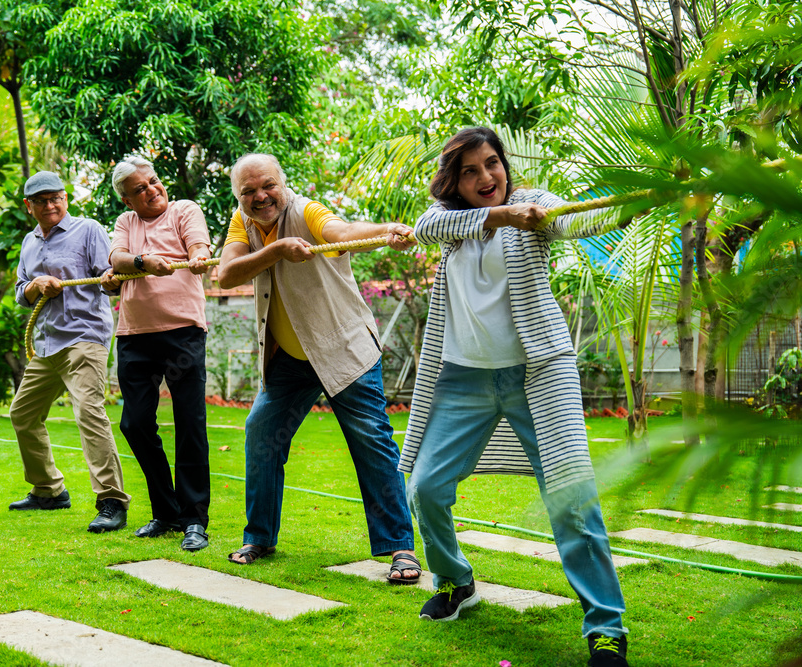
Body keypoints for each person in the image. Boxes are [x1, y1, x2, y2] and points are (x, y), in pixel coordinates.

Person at [400, 127, 630, 666]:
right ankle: (457, 582)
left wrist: (628, 202)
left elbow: (579, 217)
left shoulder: (533, 207)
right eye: (471, 171)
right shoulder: (453, 226)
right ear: (455, 181)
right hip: (461, 381)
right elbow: (425, 224)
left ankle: (605, 627)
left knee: (572, 497)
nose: (486, 177)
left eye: (492, 164)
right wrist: (497, 218)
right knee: (426, 488)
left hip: (538, 376)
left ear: (505, 165)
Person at [217, 153, 422, 583]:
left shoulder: (306, 210)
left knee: (372, 442)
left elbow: (342, 232)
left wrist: (387, 232)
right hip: (290, 360)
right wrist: (276, 251)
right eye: (248, 191)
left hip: (344, 351)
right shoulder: (243, 222)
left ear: (283, 183)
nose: (259, 196)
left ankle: (401, 548)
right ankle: (260, 537)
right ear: (239, 197)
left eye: (267, 185)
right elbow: (227, 274)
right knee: (261, 432)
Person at [9, 170, 130, 534]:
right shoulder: (29, 243)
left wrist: (113, 278)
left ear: (66, 197)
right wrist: (35, 285)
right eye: (42, 201)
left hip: (84, 337)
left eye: (56, 198)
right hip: (47, 343)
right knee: (23, 415)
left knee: (89, 414)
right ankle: (48, 490)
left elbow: (108, 276)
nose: (51, 205)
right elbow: (20, 291)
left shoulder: (88, 229)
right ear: (28, 207)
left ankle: (111, 501)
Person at [106, 156, 213, 552]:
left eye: (153, 182)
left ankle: (194, 521)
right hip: (135, 335)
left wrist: (199, 255)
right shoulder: (126, 224)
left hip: (183, 332)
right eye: (140, 189)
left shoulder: (184, 209)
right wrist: (141, 262)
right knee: (134, 424)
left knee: (189, 423)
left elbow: (198, 243)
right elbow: (117, 259)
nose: (152, 190)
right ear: (127, 200)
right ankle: (165, 512)